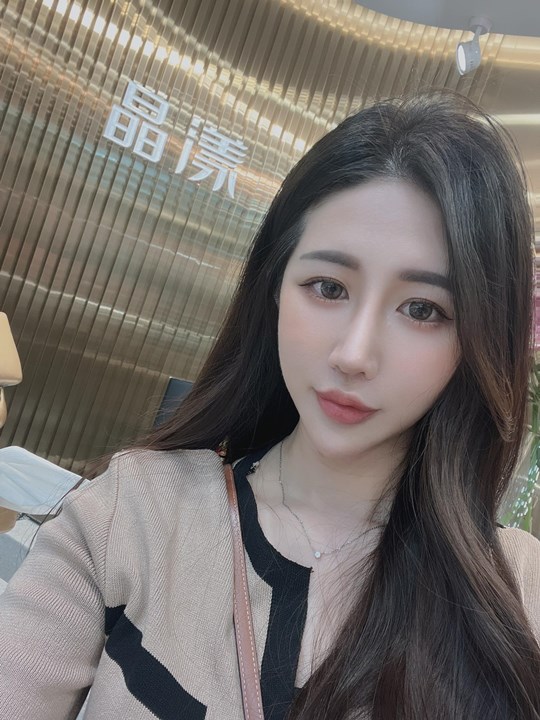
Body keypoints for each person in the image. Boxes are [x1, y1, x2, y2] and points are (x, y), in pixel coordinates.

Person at [1, 92, 540, 720]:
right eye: (328, 287)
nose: (354, 354)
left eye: (422, 309)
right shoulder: (135, 514)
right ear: (275, 288)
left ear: (478, 337)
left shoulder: (519, 593)